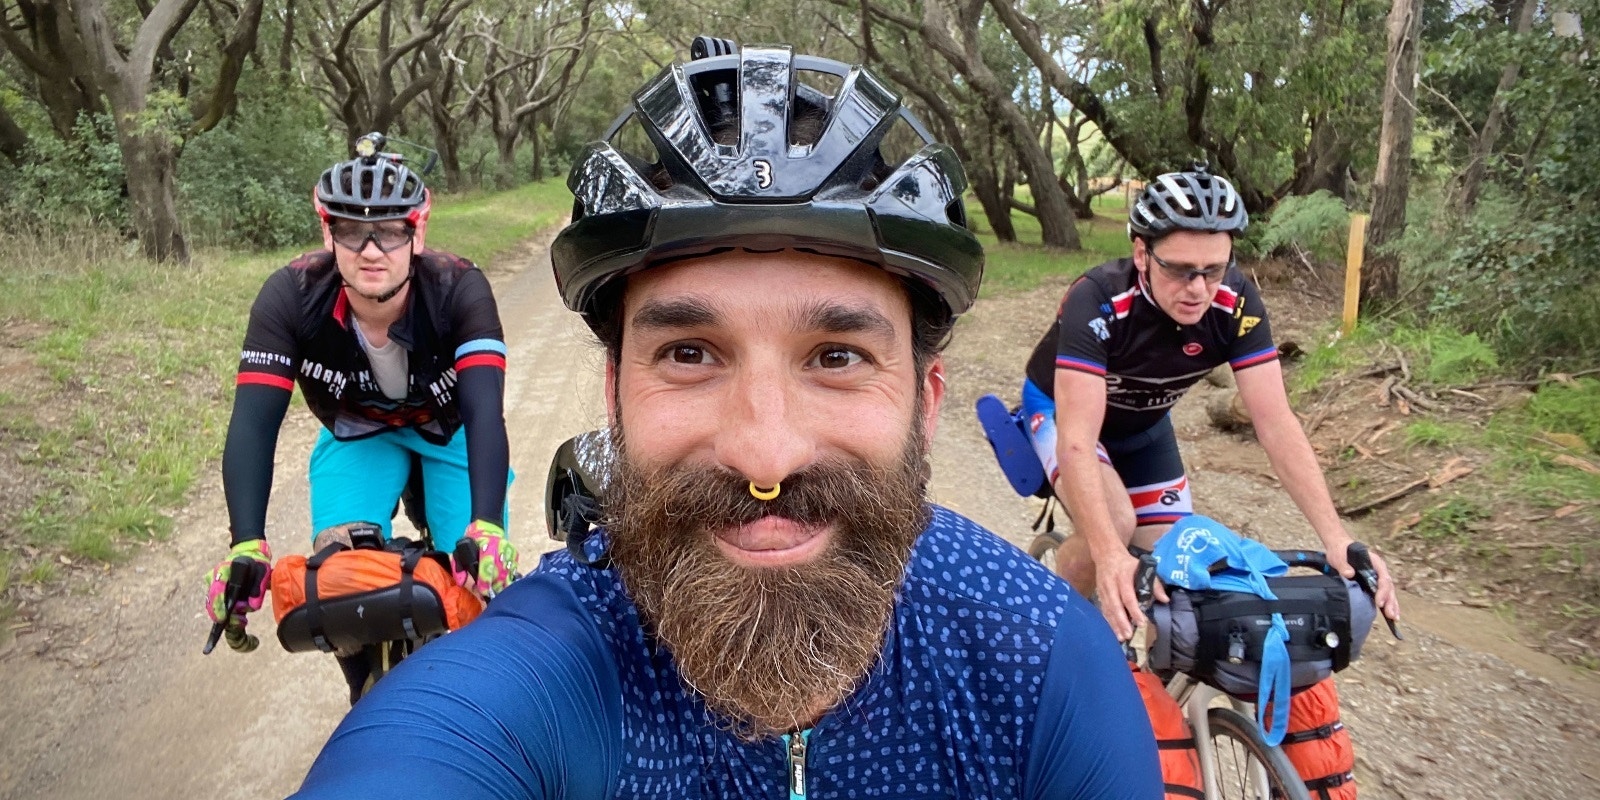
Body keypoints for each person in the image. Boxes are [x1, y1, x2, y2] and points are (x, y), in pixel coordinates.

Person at [290, 41, 1162, 798]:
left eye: (837, 357)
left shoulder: (1040, 663)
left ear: (926, 406)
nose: (765, 455)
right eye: (689, 353)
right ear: (614, 395)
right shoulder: (546, 673)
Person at [1018, 165, 1401, 643]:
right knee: (1113, 527)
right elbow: (1077, 440)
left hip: (1143, 424)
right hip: (1062, 412)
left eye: (1214, 270)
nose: (1198, 288)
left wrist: (1336, 538)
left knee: (1182, 566)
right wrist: (1110, 553)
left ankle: (1153, 685)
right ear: (1141, 253)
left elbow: (1275, 423)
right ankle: (1047, 635)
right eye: (1180, 270)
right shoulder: (1096, 299)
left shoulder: (1236, 303)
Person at [203, 135, 518, 697]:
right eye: (352, 230)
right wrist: (246, 543)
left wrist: (486, 526)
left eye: (391, 231)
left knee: (477, 593)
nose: (372, 250)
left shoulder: (459, 287)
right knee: (338, 581)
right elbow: (253, 425)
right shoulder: (289, 295)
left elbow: (484, 414)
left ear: (418, 232)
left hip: (450, 432)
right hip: (358, 433)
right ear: (328, 234)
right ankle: (367, 693)